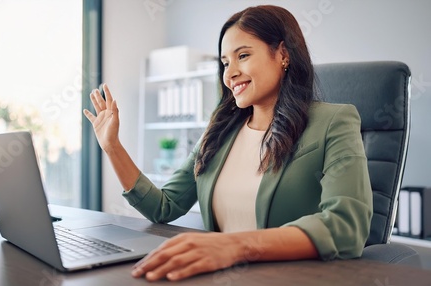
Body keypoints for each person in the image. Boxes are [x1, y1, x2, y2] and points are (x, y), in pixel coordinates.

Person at [83, 5, 373, 282]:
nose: (230, 72)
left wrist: (235, 246)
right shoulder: (220, 130)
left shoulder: (334, 121)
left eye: (243, 55)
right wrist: (112, 147)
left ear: (283, 54)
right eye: (225, 62)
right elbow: (165, 207)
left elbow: (346, 226)